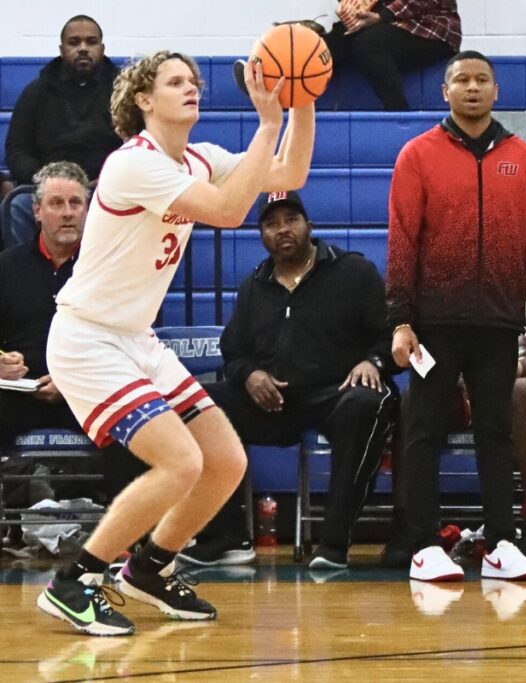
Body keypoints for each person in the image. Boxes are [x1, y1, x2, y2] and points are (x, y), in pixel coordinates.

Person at [36, 51, 314, 637]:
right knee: (181, 461)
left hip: (137, 339)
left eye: (194, 80)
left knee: (226, 462)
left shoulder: (199, 158)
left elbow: (287, 175)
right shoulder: (131, 166)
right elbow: (231, 209)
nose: (192, 88)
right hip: (87, 338)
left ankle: (149, 569)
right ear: (143, 99)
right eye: (175, 81)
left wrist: (305, 100)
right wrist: (267, 122)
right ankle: (75, 583)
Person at [387, 50, 526, 582]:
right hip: (433, 324)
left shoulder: (523, 158)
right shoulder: (417, 155)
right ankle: (422, 544)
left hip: (499, 321)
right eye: (461, 79)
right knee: (424, 430)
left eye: (481, 79)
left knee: (496, 432)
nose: (471, 87)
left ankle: (501, 543)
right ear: (445, 92)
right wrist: (401, 319)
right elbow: (401, 241)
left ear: (496, 91)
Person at [184, 190, 398, 570]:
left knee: (368, 401)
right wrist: (250, 375)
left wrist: (375, 362)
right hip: (277, 402)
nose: (282, 230)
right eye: (271, 224)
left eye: (290, 220)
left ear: (308, 225)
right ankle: (225, 539)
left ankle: (334, 544)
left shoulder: (353, 272)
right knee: (196, 402)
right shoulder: (255, 286)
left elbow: (392, 335)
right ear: (261, 235)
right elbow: (234, 351)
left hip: (339, 395)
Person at [0, 161, 141, 509]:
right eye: (56, 203)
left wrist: (70, 380)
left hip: (87, 390)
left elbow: (130, 343)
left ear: (88, 211)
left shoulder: (110, 269)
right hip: (20, 392)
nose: (67, 214)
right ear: (36, 211)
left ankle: (125, 538)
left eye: (75, 203)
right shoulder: (6, 266)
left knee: (137, 421)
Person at [383, 318, 526, 569]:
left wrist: (496, 374)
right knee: (413, 399)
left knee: (524, 392)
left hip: (508, 383)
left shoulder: (521, 283)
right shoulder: (441, 289)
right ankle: (407, 529)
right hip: (452, 386)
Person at [4, 16, 123, 249]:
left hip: (105, 188)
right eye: (74, 42)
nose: (83, 49)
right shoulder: (36, 92)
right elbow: (17, 150)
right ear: (61, 49)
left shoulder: (122, 92)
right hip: (48, 189)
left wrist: (109, 180)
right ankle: (28, 282)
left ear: (102, 47)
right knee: (18, 205)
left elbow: (137, 146)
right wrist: (48, 183)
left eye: (91, 42)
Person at [324, 0, 461, 110]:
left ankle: (397, 110)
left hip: (430, 28)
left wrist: (382, 16)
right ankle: (311, 109)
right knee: (329, 45)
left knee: (368, 43)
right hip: (388, 21)